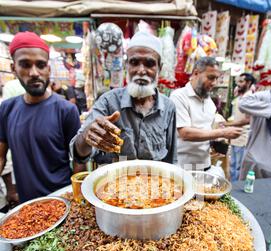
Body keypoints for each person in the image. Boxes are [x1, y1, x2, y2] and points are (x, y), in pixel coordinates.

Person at [71, 31, 177, 166]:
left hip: (155, 184)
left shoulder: (168, 107)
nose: (141, 70)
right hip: (114, 182)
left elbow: (171, 159)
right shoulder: (108, 102)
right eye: (134, 62)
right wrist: (87, 136)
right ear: (127, 66)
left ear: (159, 68)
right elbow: (79, 153)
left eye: (149, 64)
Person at [0, 32, 82, 203]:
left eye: (40, 65)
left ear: (48, 69)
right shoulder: (7, 110)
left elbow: (78, 162)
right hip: (27, 207)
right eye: (25, 65)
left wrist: (77, 202)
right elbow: (1, 156)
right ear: (14, 68)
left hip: (62, 202)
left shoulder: (66, 110)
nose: (34, 73)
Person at [169, 57, 243, 171]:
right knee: (186, 189)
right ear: (196, 73)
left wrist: (218, 140)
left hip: (204, 164)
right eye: (211, 78)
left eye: (216, 79)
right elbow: (185, 133)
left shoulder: (209, 102)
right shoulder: (179, 97)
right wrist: (222, 132)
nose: (214, 83)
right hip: (183, 165)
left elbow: (208, 130)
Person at [225, 73, 256, 181]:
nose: (238, 84)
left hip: (243, 136)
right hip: (235, 136)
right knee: (233, 165)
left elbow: (248, 119)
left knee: (238, 167)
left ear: (248, 83)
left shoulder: (250, 97)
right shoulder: (240, 96)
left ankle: (235, 191)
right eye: (238, 81)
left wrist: (228, 124)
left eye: (241, 82)